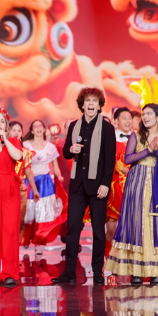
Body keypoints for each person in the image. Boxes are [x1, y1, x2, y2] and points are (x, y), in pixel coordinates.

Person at [107, 104, 158, 284]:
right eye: (144, 114)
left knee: (155, 224)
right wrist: (148, 150)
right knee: (136, 223)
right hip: (136, 183)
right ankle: (135, 271)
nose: (145, 117)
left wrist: (157, 151)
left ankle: (156, 271)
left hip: (156, 185)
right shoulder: (136, 136)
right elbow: (128, 158)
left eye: (149, 114)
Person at [53, 88, 116, 285]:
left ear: (99, 105)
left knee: (98, 230)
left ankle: (97, 271)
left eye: (94, 101)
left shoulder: (106, 128)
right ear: (82, 104)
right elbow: (66, 152)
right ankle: (69, 272)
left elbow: (110, 160)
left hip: (98, 186)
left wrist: (105, 184)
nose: (90, 104)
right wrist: (71, 149)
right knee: (72, 228)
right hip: (78, 185)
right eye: (87, 100)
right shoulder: (74, 126)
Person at [0, 108, 37, 287]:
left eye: (2, 121)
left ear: (6, 126)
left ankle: (10, 273)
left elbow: (18, 157)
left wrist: (5, 140)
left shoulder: (13, 142)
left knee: (10, 231)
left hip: (10, 190)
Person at [22, 120, 64, 252]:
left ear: (44, 129)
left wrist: (59, 176)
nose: (38, 128)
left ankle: (38, 243)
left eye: (40, 126)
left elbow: (55, 166)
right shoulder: (25, 145)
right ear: (32, 130)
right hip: (29, 182)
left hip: (45, 183)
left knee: (42, 213)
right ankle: (26, 238)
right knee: (29, 212)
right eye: (35, 126)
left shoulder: (50, 147)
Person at [107, 107, 133, 260]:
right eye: (124, 118)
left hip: (133, 186)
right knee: (111, 228)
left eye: (130, 118)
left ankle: (127, 260)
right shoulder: (110, 139)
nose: (128, 121)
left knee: (131, 227)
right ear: (116, 121)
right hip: (114, 186)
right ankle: (109, 258)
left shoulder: (137, 139)